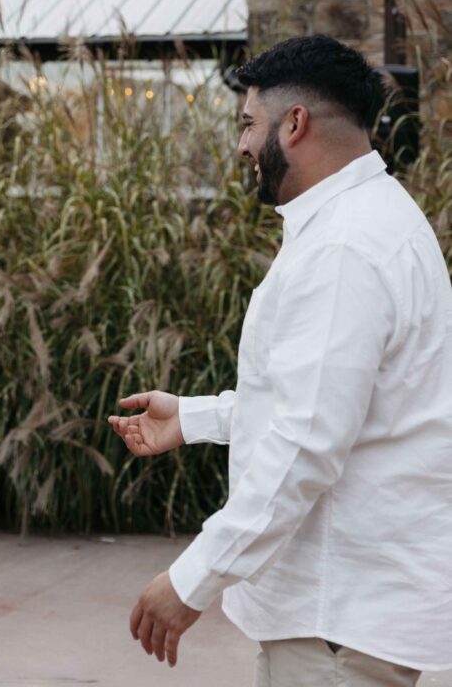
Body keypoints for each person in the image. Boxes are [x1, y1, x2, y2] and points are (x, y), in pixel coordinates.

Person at [109, 35, 452, 686]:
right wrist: (192, 417)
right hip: (349, 613)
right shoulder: (376, 218)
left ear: (294, 124)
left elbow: (305, 444)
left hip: (337, 620)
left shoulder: (343, 248)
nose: (240, 144)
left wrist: (191, 579)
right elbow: (338, 405)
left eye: (247, 122)